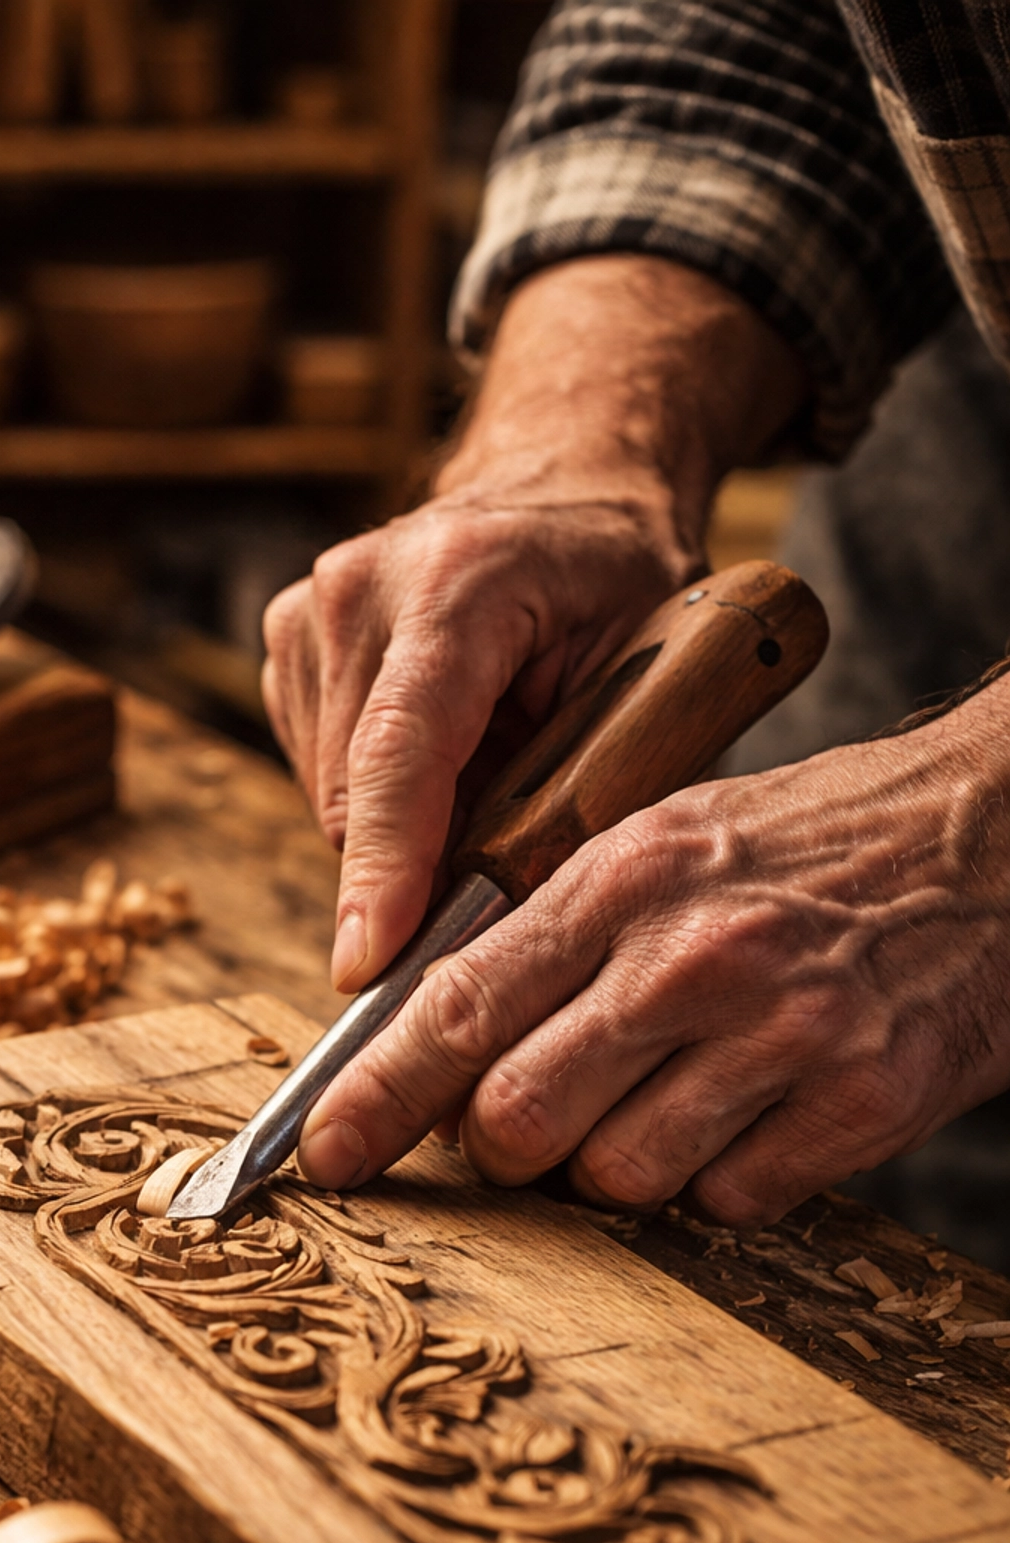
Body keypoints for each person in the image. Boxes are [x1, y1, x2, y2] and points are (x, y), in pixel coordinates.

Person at [262, 2, 1010, 1232]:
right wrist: (579, 444)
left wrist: (975, 826)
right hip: (974, 436)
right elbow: (741, 34)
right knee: (792, 1091)